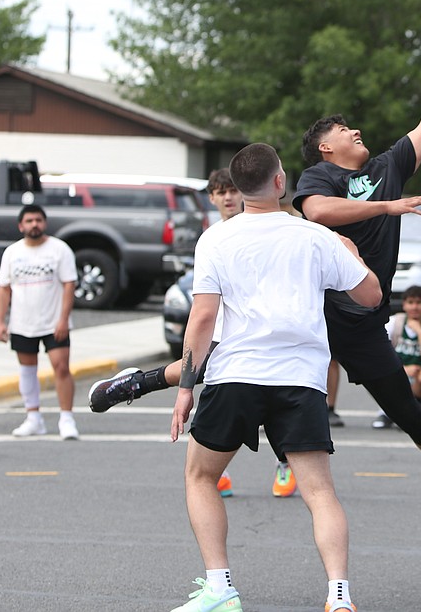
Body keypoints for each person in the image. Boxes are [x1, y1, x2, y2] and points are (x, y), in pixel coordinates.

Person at [169, 143, 380, 612]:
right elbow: (370, 296)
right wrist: (352, 253)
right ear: (280, 182)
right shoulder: (315, 237)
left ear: (238, 189)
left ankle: (221, 588)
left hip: (235, 375)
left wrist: (186, 388)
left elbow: (202, 319)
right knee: (320, 492)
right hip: (301, 379)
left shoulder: (215, 239)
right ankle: (339, 597)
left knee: (201, 477)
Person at [293, 39, 421, 524]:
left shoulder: (387, 168)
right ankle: (146, 382)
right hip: (310, 314)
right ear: (326, 147)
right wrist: (387, 206)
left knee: (408, 410)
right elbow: (318, 213)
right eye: (344, 130)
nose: (355, 130)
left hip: (362, 321)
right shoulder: (318, 177)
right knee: (241, 378)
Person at [87, 169, 296, 498]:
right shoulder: (212, 239)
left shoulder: (275, 228)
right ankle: (136, 385)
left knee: (270, 395)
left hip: (267, 334)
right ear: (211, 198)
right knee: (204, 375)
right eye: (220, 192)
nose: (228, 197)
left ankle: (139, 383)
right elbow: (204, 306)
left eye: (233, 190)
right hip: (226, 332)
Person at [0, 204, 79, 439]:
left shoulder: (59, 250)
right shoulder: (12, 252)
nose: (34, 224)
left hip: (53, 322)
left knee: (61, 367)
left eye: (38, 220)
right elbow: (3, 289)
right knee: (27, 370)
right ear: (21, 225)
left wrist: (63, 319)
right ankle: (33, 417)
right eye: (29, 221)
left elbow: (69, 285)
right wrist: (1, 322)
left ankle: (67, 418)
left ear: (45, 223)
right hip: (22, 322)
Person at [372, 285, 421, 430]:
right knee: (375, 370)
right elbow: (379, 354)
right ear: (404, 305)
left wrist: (420, 333)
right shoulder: (393, 323)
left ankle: (418, 409)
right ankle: (386, 411)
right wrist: (403, 369)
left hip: (418, 379)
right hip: (395, 374)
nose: (415, 307)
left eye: (419, 303)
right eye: (410, 302)